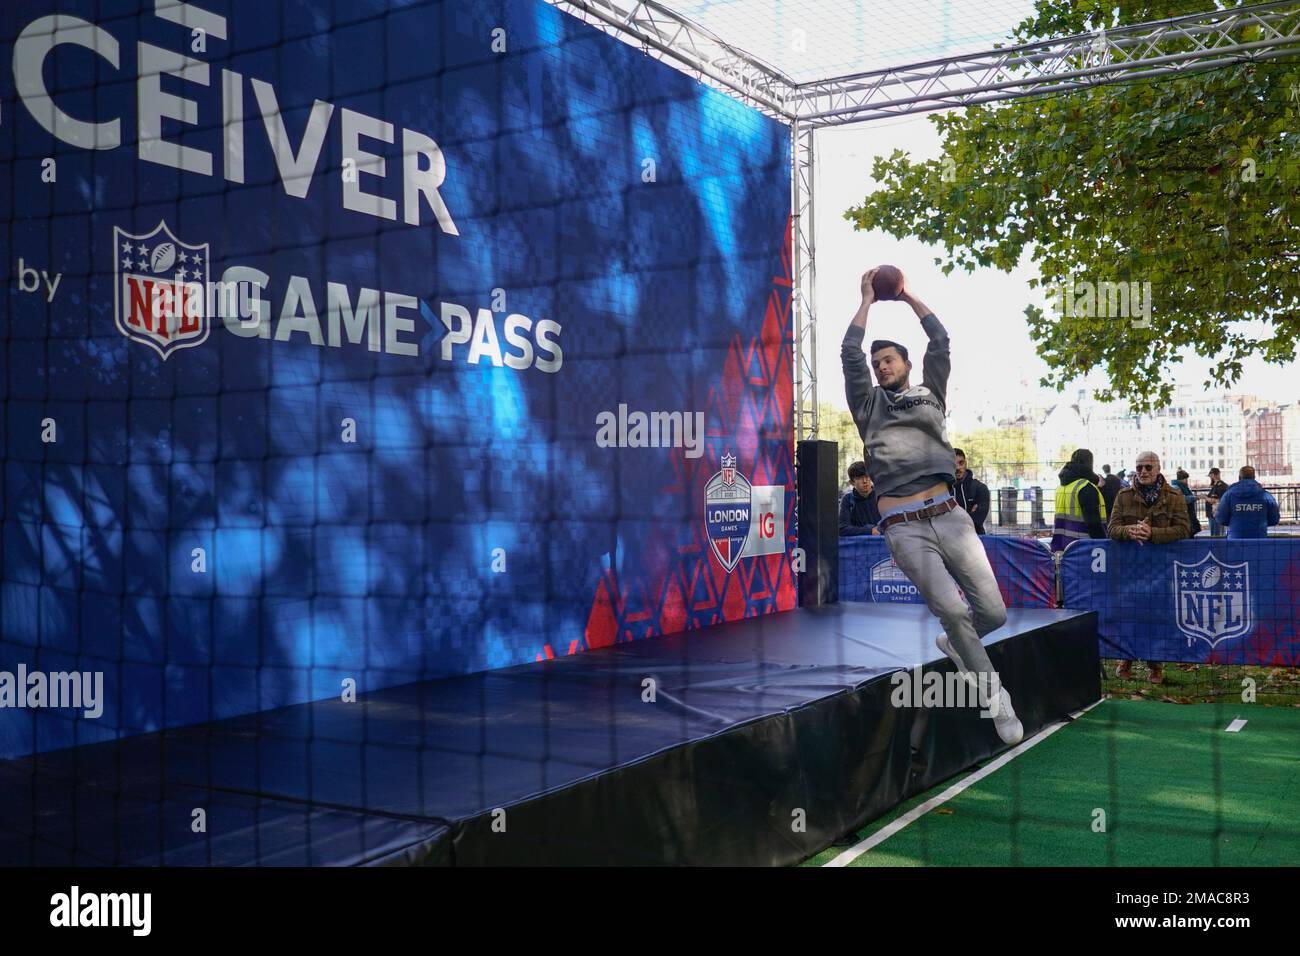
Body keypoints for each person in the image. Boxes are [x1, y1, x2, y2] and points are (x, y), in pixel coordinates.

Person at [842, 266, 1021, 744]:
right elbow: (848, 356)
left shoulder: (930, 392)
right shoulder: (868, 406)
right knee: (954, 612)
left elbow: (940, 339)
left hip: (952, 518)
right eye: (876, 362)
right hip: (904, 527)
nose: (881, 366)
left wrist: (906, 295)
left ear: (906, 363)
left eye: (888, 360)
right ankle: (994, 698)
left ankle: (955, 647)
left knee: (994, 616)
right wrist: (867, 298)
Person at [1107, 451, 1191, 684]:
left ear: (1158, 469)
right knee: (1128, 614)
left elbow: (1185, 529)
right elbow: (1112, 529)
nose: (1142, 471)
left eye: (1147, 467)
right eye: (1139, 467)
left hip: (1161, 568)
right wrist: (1130, 531)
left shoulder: (1174, 496)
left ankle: (1155, 664)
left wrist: (1153, 533)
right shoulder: (1123, 496)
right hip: (1129, 568)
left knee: (1156, 615)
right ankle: (1126, 661)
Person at [1051, 448, 1107, 552]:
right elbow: (1093, 525)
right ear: (1090, 463)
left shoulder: (1060, 488)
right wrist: (1103, 545)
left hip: (1063, 548)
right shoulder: (1086, 487)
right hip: (1085, 550)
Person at [1215, 465, 1280, 539]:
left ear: (1239, 477)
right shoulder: (1265, 495)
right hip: (1259, 539)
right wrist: (1260, 522)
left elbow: (1221, 518)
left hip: (1235, 539)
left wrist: (1234, 523)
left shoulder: (1228, 495)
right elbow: (1275, 519)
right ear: (1254, 477)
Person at [953, 448, 991, 535]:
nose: (958, 467)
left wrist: (950, 519)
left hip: (976, 540)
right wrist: (969, 515)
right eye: (953, 464)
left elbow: (977, 521)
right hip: (948, 542)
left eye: (961, 463)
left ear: (965, 464)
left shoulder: (980, 488)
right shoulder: (943, 490)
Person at [839, 461, 882, 536]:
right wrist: (869, 531)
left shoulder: (881, 496)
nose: (865, 481)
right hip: (858, 545)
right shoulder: (848, 499)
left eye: (867, 476)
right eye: (859, 478)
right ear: (852, 482)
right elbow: (842, 529)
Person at [1169, 469, 1201, 536]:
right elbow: (1183, 499)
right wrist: (1196, 497)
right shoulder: (1176, 487)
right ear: (1181, 479)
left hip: (1188, 515)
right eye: (1186, 479)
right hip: (1183, 516)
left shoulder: (1183, 487)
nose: (1187, 480)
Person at [1205, 468, 1230, 536]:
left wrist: (1205, 497)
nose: (1210, 477)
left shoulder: (1221, 486)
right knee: (1215, 534)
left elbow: (1215, 500)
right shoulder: (1216, 485)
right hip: (1214, 513)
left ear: (1213, 475)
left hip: (1216, 514)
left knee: (1216, 535)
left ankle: (1217, 546)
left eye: (1210, 475)